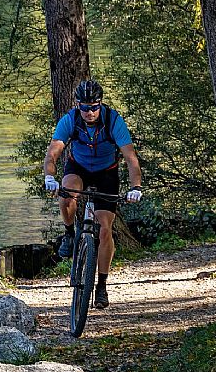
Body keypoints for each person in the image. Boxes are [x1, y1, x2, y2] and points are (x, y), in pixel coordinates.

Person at [42, 80, 143, 309]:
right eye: (84, 107)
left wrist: (135, 187)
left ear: (101, 104)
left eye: (94, 107)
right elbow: (52, 154)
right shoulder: (70, 120)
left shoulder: (113, 121)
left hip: (106, 173)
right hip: (78, 168)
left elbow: (131, 158)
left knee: (105, 229)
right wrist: (50, 178)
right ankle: (69, 234)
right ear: (78, 105)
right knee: (67, 195)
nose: (89, 112)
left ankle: (101, 285)